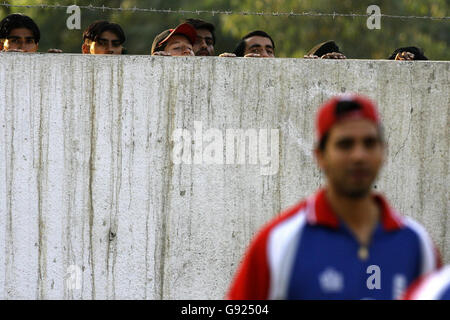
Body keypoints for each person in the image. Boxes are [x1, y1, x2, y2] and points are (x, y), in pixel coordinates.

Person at [227, 94, 441, 300]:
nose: (359, 155)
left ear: (383, 151)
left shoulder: (417, 244)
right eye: (345, 144)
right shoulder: (280, 241)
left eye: (369, 143)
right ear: (320, 156)